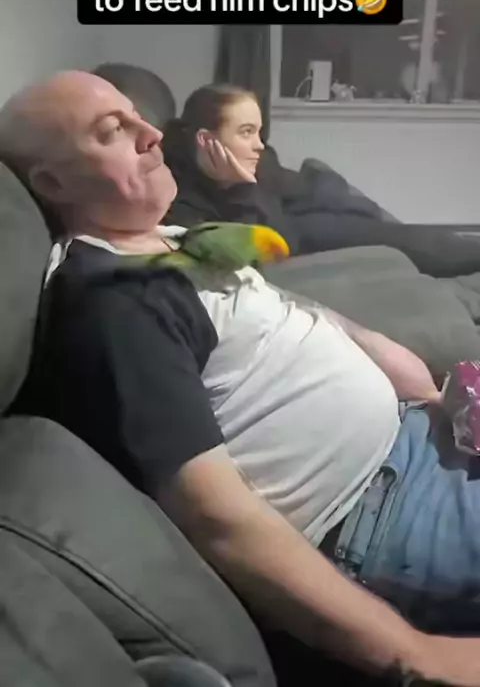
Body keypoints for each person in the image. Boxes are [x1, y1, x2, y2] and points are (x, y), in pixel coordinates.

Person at [3, 70, 480, 687]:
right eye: (113, 130)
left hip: (422, 433)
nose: (151, 133)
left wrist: (408, 379)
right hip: (381, 511)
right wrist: (415, 652)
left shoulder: (167, 240)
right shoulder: (115, 301)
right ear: (53, 182)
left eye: (137, 116)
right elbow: (216, 517)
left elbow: (280, 307)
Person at [160, 83, 299, 250]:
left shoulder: (258, 166)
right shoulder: (173, 197)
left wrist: (248, 189)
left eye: (258, 132)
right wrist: (241, 191)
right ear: (205, 139)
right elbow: (248, 256)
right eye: (246, 132)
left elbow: (288, 246)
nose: (259, 145)